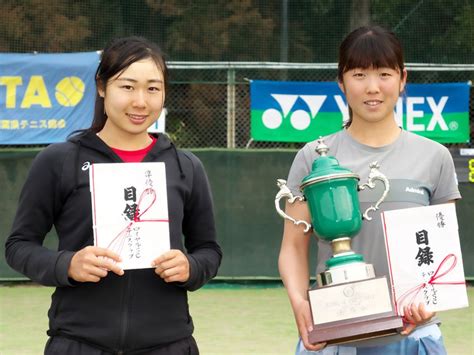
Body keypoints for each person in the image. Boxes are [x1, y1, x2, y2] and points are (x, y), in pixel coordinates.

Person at [5, 36, 222, 354]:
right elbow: (19, 246)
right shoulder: (59, 160)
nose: (140, 102)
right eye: (127, 86)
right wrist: (66, 265)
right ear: (102, 86)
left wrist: (190, 268)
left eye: (153, 88)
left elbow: (209, 251)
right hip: (79, 343)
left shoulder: (185, 166)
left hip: (169, 343)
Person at [278, 25, 460, 355]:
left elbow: (442, 253)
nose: (372, 88)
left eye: (385, 74)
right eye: (359, 74)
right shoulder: (313, 157)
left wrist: (429, 302)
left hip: (414, 336)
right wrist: (299, 302)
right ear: (341, 82)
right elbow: (292, 246)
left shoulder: (435, 157)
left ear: (403, 79)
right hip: (333, 338)